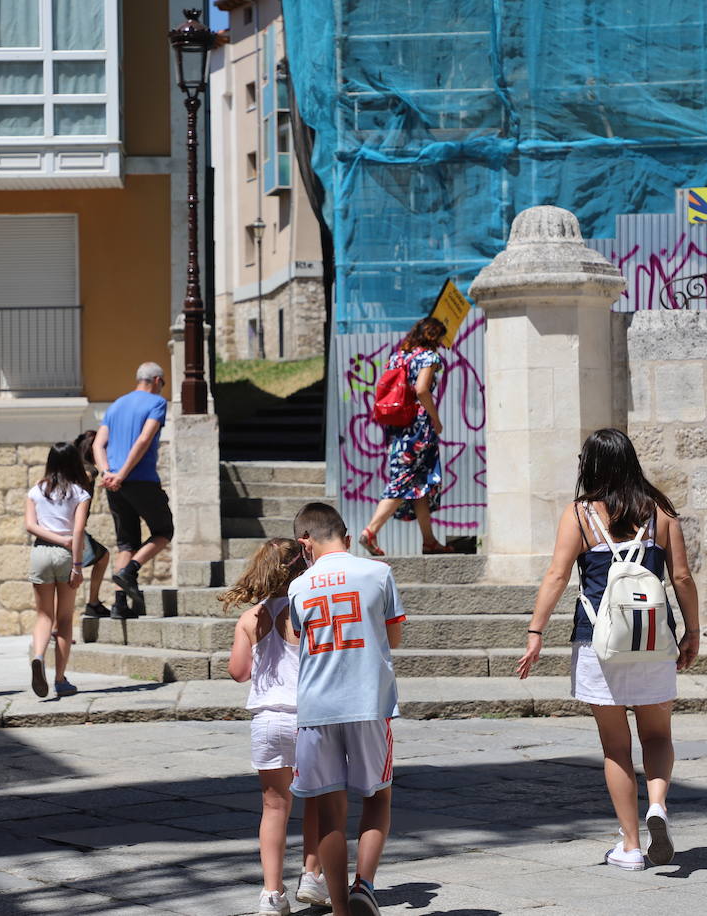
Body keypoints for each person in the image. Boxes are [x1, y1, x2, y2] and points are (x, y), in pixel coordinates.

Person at [516, 428, 700, 870]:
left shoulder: (579, 515)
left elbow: (557, 576)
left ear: (591, 465)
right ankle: (658, 804)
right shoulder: (661, 513)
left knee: (616, 748)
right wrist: (692, 630)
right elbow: (681, 578)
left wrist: (535, 632)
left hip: (598, 641)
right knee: (657, 735)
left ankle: (631, 846)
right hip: (654, 640)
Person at [288, 502, 404, 916]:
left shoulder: (299, 586)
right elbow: (394, 637)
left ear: (306, 543)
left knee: (327, 810)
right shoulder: (378, 573)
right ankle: (364, 885)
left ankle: (338, 909)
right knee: (378, 796)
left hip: (317, 707)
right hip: (368, 701)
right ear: (347, 537)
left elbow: (297, 635)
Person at [223, 538, 328, 915]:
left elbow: (238, 672)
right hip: (309, 718)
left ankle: (271, 894)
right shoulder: (312, 611)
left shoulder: (250, 617)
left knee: (273, 807)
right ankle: (313, 875)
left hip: (267, 721)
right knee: (316, 801)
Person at [359, 317, 454, 557]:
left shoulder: (398, 357)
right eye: (441, 337)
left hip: (398, 426)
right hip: (419, 428)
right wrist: (435, 418)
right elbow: (422, 389)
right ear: (434, 337)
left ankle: (429, 541)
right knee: (403, 480)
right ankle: (371, 531)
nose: (443, 342)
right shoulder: (430, 358)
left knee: (418, 481)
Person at [92, 362, 174, 617]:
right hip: (141, 479)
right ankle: (130, 571)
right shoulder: (156, 403)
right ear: (158, 380)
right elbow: (144, 438)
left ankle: (119, 604)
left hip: (113, 484)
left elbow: (98, 443)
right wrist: (124, 474)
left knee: (126, 542)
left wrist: (107, 473)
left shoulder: (115, 405)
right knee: (164, 531)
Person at [24, 442, 92, 698]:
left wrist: (52, 537)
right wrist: (76, 565)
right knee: (64, 619)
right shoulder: (80, 493)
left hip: (40, 553)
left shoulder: (36, 490)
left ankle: (38, 656)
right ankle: (60, 679)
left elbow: (30, 525)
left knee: (43, 615)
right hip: (66, 555)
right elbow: (77, 532)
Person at [72, 429, 113, 619]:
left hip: (61, 529)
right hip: (74, 530)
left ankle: (93, 603)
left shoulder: (69, 467)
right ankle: (93, 602)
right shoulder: (89, 471)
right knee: (103, 556)